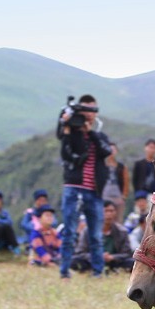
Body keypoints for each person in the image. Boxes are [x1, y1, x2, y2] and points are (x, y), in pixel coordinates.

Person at [57, 94, 112, 278]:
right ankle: (64, 271)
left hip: (94, 191)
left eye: (92, 110)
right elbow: (66, 152)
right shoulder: (72, 133)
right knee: (70, 232)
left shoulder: (99, 135)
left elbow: (106, 151)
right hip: (73, 187)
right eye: (85, 110)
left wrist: (92, 133)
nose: (88, 114)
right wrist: (65, 123)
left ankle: (98, 272)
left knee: (95, 236)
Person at [102, 142, 131, 223]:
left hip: (118, 197)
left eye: (113, 150)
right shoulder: (102, 165)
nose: (111, 152)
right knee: (104, 219)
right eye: (109, 149)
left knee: (118, 220)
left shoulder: (121, 167)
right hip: (104, 196)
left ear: (116, 151)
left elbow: (126, 181)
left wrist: (124, 196)